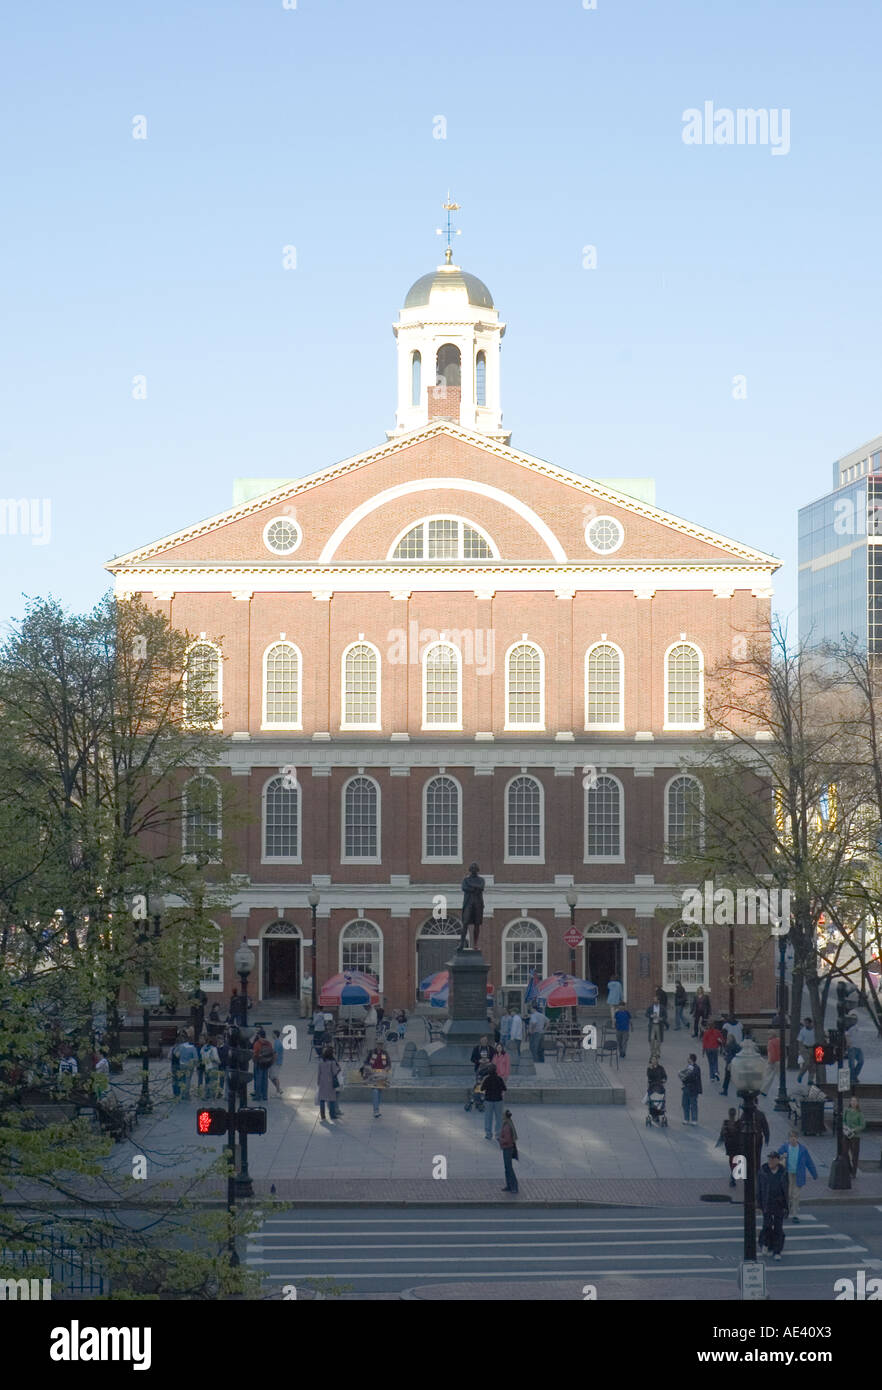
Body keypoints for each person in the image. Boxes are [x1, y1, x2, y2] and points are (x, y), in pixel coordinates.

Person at [777, 1130, 818, 1220]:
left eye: (794, 1137)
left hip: (798, 1174)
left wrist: (814, 1173)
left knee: (796, 1194)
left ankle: (795, 1213)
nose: (793, 1139)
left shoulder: (802, 1149)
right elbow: (777, 1156)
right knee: (788, 1193)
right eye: (791, 1137)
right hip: (787, 1174)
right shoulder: (785, 1147)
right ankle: (787, 1209)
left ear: (797, 1138)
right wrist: (781, 1156)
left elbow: (809, 1162)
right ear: (788, 1139)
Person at [758, 1149, 789, 1259]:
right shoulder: (763, 1171)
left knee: (778, 1228)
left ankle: (777, 1251)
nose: (770, 1161)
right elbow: (759, 1189)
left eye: (773, 1159)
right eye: (769, 1159)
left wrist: (786, 1206)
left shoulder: (783, 1172)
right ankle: (765, 1244)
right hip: (767, 1203)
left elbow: (786, 1189)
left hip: (779, 1204)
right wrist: (759, 1205)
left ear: (777, 1160)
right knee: (766, 1225)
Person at [459, 862, 485, 951]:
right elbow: (464, 888)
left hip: (478, 904)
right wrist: (475, 888)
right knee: (465, 922)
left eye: (475, 869)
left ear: (477, 870)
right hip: (468, 903)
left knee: (477, 924)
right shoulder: (466, 880)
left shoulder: (481, 879)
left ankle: (475, 944)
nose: (474, 870)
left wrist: (471, 887)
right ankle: (461, 943)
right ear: (470, 870)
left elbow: (481, 887)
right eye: (472, 868)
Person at [716, 1108, 743, 1187]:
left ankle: (733, 1174)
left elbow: (722, 1133)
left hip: (729, 1145)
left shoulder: (726, 1123)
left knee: (732, 1160)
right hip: (736, 1145)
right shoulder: (738, 1123)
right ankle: (733, 1175)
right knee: (735, 1160)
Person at [480, 1062, 507, 1140]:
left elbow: (482, 1089)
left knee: (488, 1117)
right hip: (498, 1100)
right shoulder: (499, 1078)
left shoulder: (487, 1079)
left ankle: (488, 1134)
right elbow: (504, 1088)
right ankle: (498, 1134)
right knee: (499, 1118)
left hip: (488, 1100)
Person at [363, 1044, 391, 1117]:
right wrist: (369, 1068)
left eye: (381, 1044)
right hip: (373, 1075)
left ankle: (377, 1109)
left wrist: (387, 1068)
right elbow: (366, 1062)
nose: (380, 1046)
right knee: (375, 1091)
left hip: (382, 1075)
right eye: (378, 1044)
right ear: (376, 1044)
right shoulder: (372, 1052)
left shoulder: (385, 1053)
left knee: (379, 1091)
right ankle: (376, 1110)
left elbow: (389, 1064)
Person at [316, 1044, 342, 1121]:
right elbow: (334, 1072)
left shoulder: (321, 1062)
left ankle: (323, 1115)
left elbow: (319, 1073)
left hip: (322, 1082)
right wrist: (338, 1070)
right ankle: (332, 1114)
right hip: (330, 1082)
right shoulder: (332, 1063)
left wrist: (318, 1081)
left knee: (322, 1099)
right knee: (332, 1099)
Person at [843, 1096, 867, 1177]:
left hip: (855, 1136)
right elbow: (843, 1120)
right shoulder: (847, 1111)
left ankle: (854, 1172)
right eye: (852, 1101)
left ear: (857, 1103)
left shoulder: (859, 1113)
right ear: (850, 1102)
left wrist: (854, 1129)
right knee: (844, 1152)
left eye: (855, 1101)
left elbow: (863, 1125)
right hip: (847, 1134)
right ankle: (849, 1169)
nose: (853, 1102)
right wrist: (845, 1126)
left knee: (854, 1155)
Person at [499, 1109, 519, 1194]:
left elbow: (507, 1139)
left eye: (502, 1114)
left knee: (509, 1168)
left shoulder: (507, 1126)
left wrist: (500, 1139)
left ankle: (514, 1186)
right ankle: (509, 1185)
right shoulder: (508, 1123)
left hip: (507, 1148)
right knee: (507, 1168)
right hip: (508, 1147)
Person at [251, 1028, 273, 1102]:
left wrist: (254, 1061)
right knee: (265, 1080)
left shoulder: (257, 1043)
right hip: (266, 1063)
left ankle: (258, 1096)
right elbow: (271, 1053)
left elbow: (255, 1054)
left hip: (259, 1063)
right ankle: (265, 1096)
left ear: (259, 1035)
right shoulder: (269, 1043)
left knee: (258, 1080)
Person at [680, 1053, 702, 1125]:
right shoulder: (688, 1067)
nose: (687, 1059)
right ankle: (686, 1119)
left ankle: (694, 1119)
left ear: (691, 1059)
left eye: (688, 1058)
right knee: (685, 1104)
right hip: (686, 1088)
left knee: (693, 1104)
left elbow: (692, 1077)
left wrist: (684, 1077)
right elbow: (685, 1076)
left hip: (693, 1089)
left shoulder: (696, 1068)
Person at [174, 1034, 198, 1100]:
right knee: (188, 1079)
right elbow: (196, 1058)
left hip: (181, 1064)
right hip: (189, 1065)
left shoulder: (180, 1046)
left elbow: (175, 1053)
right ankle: (186, 1094)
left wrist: (180, 1057)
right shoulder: (192, 1047)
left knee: (182, 1079)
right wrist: (195, 1064)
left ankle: (182, 1093)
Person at [718, 1032, 741, 1097]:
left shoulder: (729, 1045)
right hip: (736, 1063)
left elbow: (726, 1052)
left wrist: (722, 1043)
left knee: (727, 1078)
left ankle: (725, 1091)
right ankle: (739, 1092)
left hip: (729, 1063)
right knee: (737, 1078)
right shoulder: (737, 1045)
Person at [761, 1030, 782, 1096]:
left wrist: (771, 1061)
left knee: (768, 1077)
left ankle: (764, 1091)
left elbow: (772, 1053)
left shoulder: (771, 1042)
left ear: (772, 1035)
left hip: (773, 1061)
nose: (767, 1036)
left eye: (768, 1034)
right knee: (780, 1077)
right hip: (780, 1060)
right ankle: (782, 1090)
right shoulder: (779, 1040)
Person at [796, 1019, 815, 1084]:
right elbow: (800, 1041)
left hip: (813, 1048)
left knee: (812, 1066)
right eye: (805, 1023)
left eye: (807, 1023)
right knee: (807, 1063)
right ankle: (800, 1075)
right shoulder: (802, 1031)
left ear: (810, 1023)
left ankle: (810, 1080)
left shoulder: (815, 1030)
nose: (805, 1025)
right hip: (805, 1049)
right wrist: (801, 1050)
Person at [269, 1028, 285, 1097]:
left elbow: (275, 1054)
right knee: (271, 1076)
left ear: (275, 1035)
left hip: (276, 1062)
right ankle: (279, 1089)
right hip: (278, 1061)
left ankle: (278, 1091)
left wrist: (272, 1062)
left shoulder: (276, 1043)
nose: (271, 1035)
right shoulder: (278, 1042)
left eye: (272, 1034)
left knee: (274, 1077)